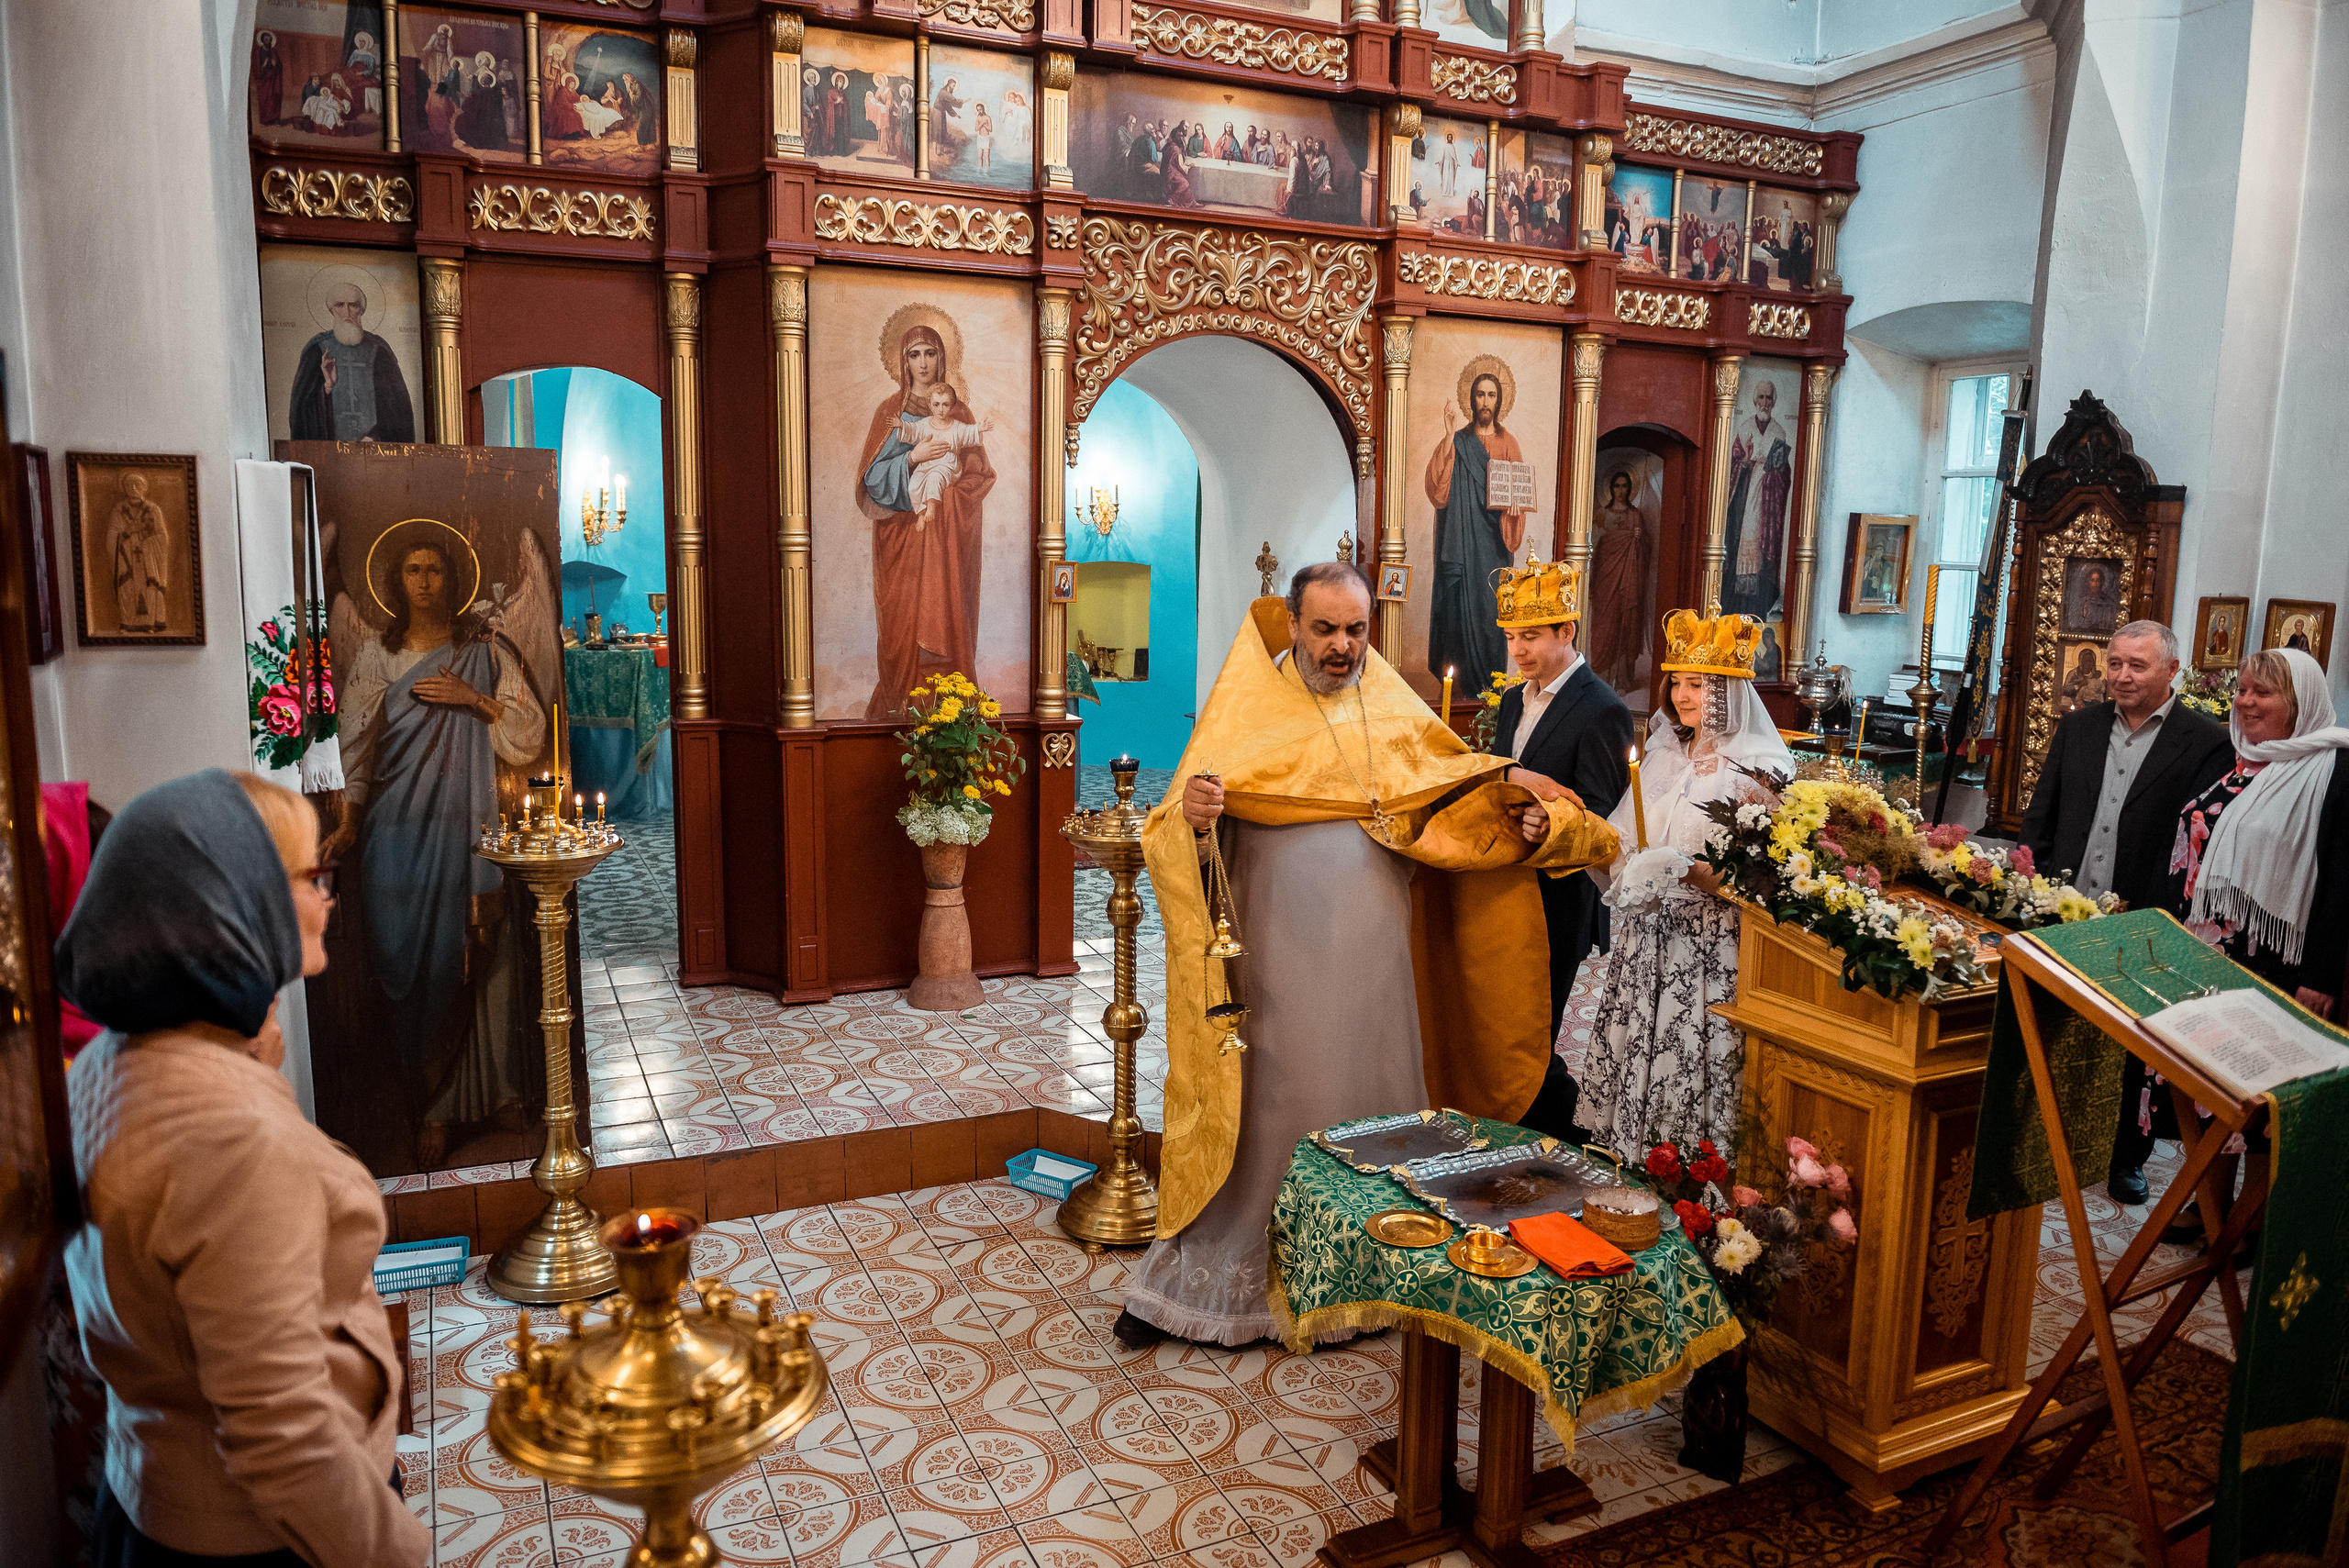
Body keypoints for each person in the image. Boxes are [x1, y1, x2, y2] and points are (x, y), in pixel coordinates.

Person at [1114, 564, 1617, 1348]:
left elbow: (1449, 784)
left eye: (1356, 629)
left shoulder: (1388, 701)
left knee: (1373, 1096)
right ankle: (1226, 1270)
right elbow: (1176, 825)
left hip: (1375, 954)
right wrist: (1200, 816)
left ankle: (1379, 1267)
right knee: (1277, 1098)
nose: (1344, 645)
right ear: (1292, 625)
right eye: (1326, 628)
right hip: (1278, 951)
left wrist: (1518, 800)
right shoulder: (1247, 706)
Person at [56, 770, 431, 1567]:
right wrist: (400, 1552)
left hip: (158, 1492)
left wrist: (251, 1063)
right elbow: (286, 1441)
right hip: (259, 1537)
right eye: (312, 876)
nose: (330, 897)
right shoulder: (232, 1138)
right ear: (234, 900)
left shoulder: (112, 1063)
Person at [321, 533, 547, 1168]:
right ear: (397, 580)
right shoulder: (376, 655)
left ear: (453, 578)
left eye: (435, 569)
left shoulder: (483, 651)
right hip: (396, 833)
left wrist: (474, 700)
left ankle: (487, 1095)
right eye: (413, 570)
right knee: (409, 966)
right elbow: (355, 747)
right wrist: (352, 816)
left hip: (468, 831)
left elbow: (526, 737)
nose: (424, 580)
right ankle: (426, 1100)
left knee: (480, 954)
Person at [2017, 619, 2230, 1202]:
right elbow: (2045, 808)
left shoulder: (2206, 739)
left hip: (2145, 915)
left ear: (2171, 671)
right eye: (2115, 663)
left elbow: (2199, 838)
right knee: (2054, 1026)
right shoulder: (2079, 726)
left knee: (2136, 1040)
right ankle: (2044, 1139)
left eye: (2137, 666)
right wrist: (2029, 876)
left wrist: (2169, 912)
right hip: (2066, 904)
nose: (2121, 676)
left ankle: (2125, 1158)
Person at [1579, 607, 1791, 1159]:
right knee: (1641, 1049)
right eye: (1676, 681)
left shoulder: (1760, 768)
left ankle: (1694, 1171)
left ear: (1727, 690)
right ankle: (1633, 1155)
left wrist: (1686, 869)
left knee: (1695, 1056)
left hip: (1710, 944)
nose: (1681, 695)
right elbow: (1625, 836)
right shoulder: (1663, 754)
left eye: (1697, 683)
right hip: (1648, 937)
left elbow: (1763, 877)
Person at [1490, 559, 1634, 1140]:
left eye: (1530, 636)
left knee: (1538, 1019)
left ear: (1566, 632)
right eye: (1510, 638)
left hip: (1563, 896)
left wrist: (1547, 822)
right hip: (1508, 884)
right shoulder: (1510, 701)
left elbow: (1604, 811)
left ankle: (1548, 1128)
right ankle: (1518, 1114)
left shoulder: (1602, 709)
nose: (1518, 650)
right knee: (1507, 1014)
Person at [2165, 647, 2349, 1011]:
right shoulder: (2225, 754)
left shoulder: (2335, 770)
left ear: (2300, 701)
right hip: (2190, 937)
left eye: (2263, 692)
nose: (2246, 702)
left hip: (2266, 954)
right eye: (2242, 690)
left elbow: (2341, 884)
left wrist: (2320, 977)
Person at [855, 320, 995, 717]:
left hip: (946, 539)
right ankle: (902, 703)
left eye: (930, 353)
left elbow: (979, 473)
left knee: (947, 616)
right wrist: (912, 459)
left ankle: (949, 709)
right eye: (914, 354)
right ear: (902, 361)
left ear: (942, 358)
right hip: (901, 539)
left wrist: (949, 497)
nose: (922, 362)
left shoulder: (960, 413)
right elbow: (871, 480)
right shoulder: (891, 412)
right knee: (901, 629)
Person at [1426, 368, 1524, 690]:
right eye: (1480, 394)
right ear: (1472, 399)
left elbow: (1518, 495)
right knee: (1455, 617)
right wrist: (1449, 435)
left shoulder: (1508, 443)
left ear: (1499, 401)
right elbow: (1437, 491)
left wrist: (1513, 510)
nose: (1486, 401)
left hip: (1492, 548)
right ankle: (1458, 693)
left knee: (1488, 616)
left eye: (1491, 395)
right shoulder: (1459, 440)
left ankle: (1490, 694)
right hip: (1459, 546)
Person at [289, 281, 417, 443]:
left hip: (374, 451)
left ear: (361, 311)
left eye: (353, 305)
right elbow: (301, 412)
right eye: (340, 305)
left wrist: (375, 437)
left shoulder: (379, 351)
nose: (347, 312)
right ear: (332, 310)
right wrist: (326, 388)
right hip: (330, 455)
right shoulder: (316, 349)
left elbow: (398, 411)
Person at [887, 381, 991, 531]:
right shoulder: (925, 424)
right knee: (914, 485)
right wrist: (902, 425)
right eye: (936, 405)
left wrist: (979, 428)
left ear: (952, 405)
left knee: (934, 477)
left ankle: (931, 507)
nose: (941, 409)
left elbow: (969, 432)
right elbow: (913, 430)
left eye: (945, 405)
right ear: (930, 405)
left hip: (947, 467)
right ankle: (921, 514)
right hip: (926, 465)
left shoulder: (956, 426)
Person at [1586, 469, 1651, 689]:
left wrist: (1640, 541)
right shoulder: (1602, 514)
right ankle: (1601, 678)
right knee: (1604, 625)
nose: (1621, 490)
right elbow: (1592, 548)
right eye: (1617, 486)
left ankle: (1622, 679)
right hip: (1606, 578)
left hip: (1627, 580)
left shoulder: (1636, 516)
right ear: (1611, 489)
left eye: (1625, 486)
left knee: (1625, 626)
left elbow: (1647, 551)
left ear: (1630, 489)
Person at [108, 474, 171, 633]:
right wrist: (128, 533)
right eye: (130, 486)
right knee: (127, 588)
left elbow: (162, 536)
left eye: (138, 485)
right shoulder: (119, 510)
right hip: (126, 556)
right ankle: (126, 624)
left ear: (144, 488)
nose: (134, 489)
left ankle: (148, 624)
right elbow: (112, 536)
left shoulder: (153, 509)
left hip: (147, 558)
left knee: (148, 589)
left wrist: (148, 543)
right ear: (125, 488)